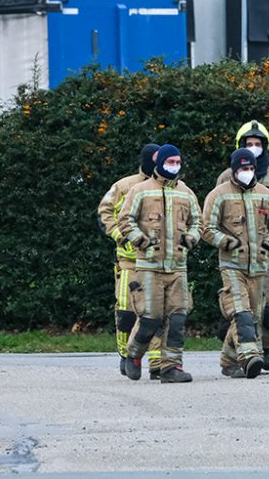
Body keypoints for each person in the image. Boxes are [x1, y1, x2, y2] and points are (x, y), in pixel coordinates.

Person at [216, 120, 269, 371]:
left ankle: (266, 344)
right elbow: (213, 217)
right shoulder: (225, 179)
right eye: (249, 144)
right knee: (244, 308)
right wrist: (227, 239)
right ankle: (244, 355)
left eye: (258, 144)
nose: (254, 149)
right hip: (237, 254)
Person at [118, 143, 201, 383]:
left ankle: (171, 367)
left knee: (177, 318)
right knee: (150, 318)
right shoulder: (140, 190)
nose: (174, 166)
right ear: (159, 163)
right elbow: (125, 220)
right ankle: (133, 355)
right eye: (170, 162)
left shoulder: (186, 192)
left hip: (177, 266)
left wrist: (192, 237)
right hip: (148, 267)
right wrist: (140, 240)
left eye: (177, 162)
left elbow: (198, 221)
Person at [203, 149, 269, 378]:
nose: (247, 172)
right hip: (231, 265)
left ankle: (228, 362)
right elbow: (207, 228)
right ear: (234, 170)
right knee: (241, 312)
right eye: (242, 169)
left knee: (254, 315)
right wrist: (225, 242)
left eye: (250, 168)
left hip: (259, 266)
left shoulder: (266, 194)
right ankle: (250, 357)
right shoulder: (218, 195)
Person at [96, 143, 164, 378]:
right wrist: (119, 236)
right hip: (129, 261)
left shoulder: (168, 188)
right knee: (126, 312)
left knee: (156, 312)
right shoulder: (124, 186)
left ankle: (157, 363)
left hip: (157, 261)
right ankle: (126, 356)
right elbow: (104, 213)